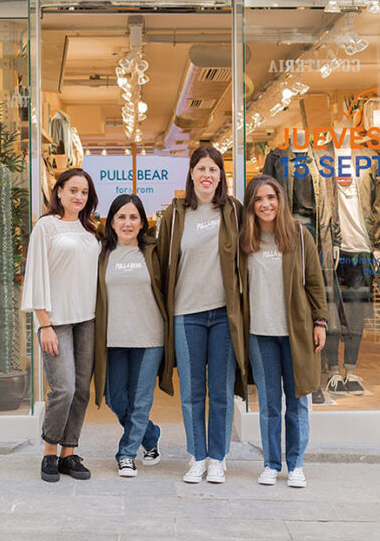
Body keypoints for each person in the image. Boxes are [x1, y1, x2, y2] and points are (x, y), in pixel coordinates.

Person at [156, 145, 245, 484]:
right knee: (192, 392)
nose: (207, 175)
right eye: (201, 168)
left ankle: (218, 458)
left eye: (213, 169)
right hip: (186, 314)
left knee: (221, 391)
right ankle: (197, 456)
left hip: (224, 315)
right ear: (191, 173)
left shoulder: (234, 211)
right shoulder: (175, 215)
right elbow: (160, 261)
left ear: (221, 176)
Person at [239, 174, 327, 488]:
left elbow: (315, 282)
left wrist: (320, 322)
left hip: (296, 333)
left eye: (271, 197)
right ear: (251, 205)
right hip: (260, 334)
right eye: (259, 199)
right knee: (269, 404)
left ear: (280, 200)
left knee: (298, 401)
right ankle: (271, 464)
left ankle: (296, 464)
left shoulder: (299, 236)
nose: (266, 204)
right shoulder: (245, 241)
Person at [20, 168, 100, 483]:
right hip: (56, 322)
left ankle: (69, 454)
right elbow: (36, 274)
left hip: (87, 320)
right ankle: (49, 452)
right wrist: (45, 325)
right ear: (59, 192)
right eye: (73, 190)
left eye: (84, 192)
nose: (79, 196)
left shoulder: (90, 230)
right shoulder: (46, 226)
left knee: (80, 390)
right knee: (63, 389)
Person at [92, 194, 173, 478]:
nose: (127, 223)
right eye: (121, 217)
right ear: (112, 222)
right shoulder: (101, 252)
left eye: (133, 217)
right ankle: (150, 435)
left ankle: (126, 454)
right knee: (115, 399)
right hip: (113, 339)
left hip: (149, 338)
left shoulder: (154, 251)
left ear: (142, 222)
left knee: (140, 400)